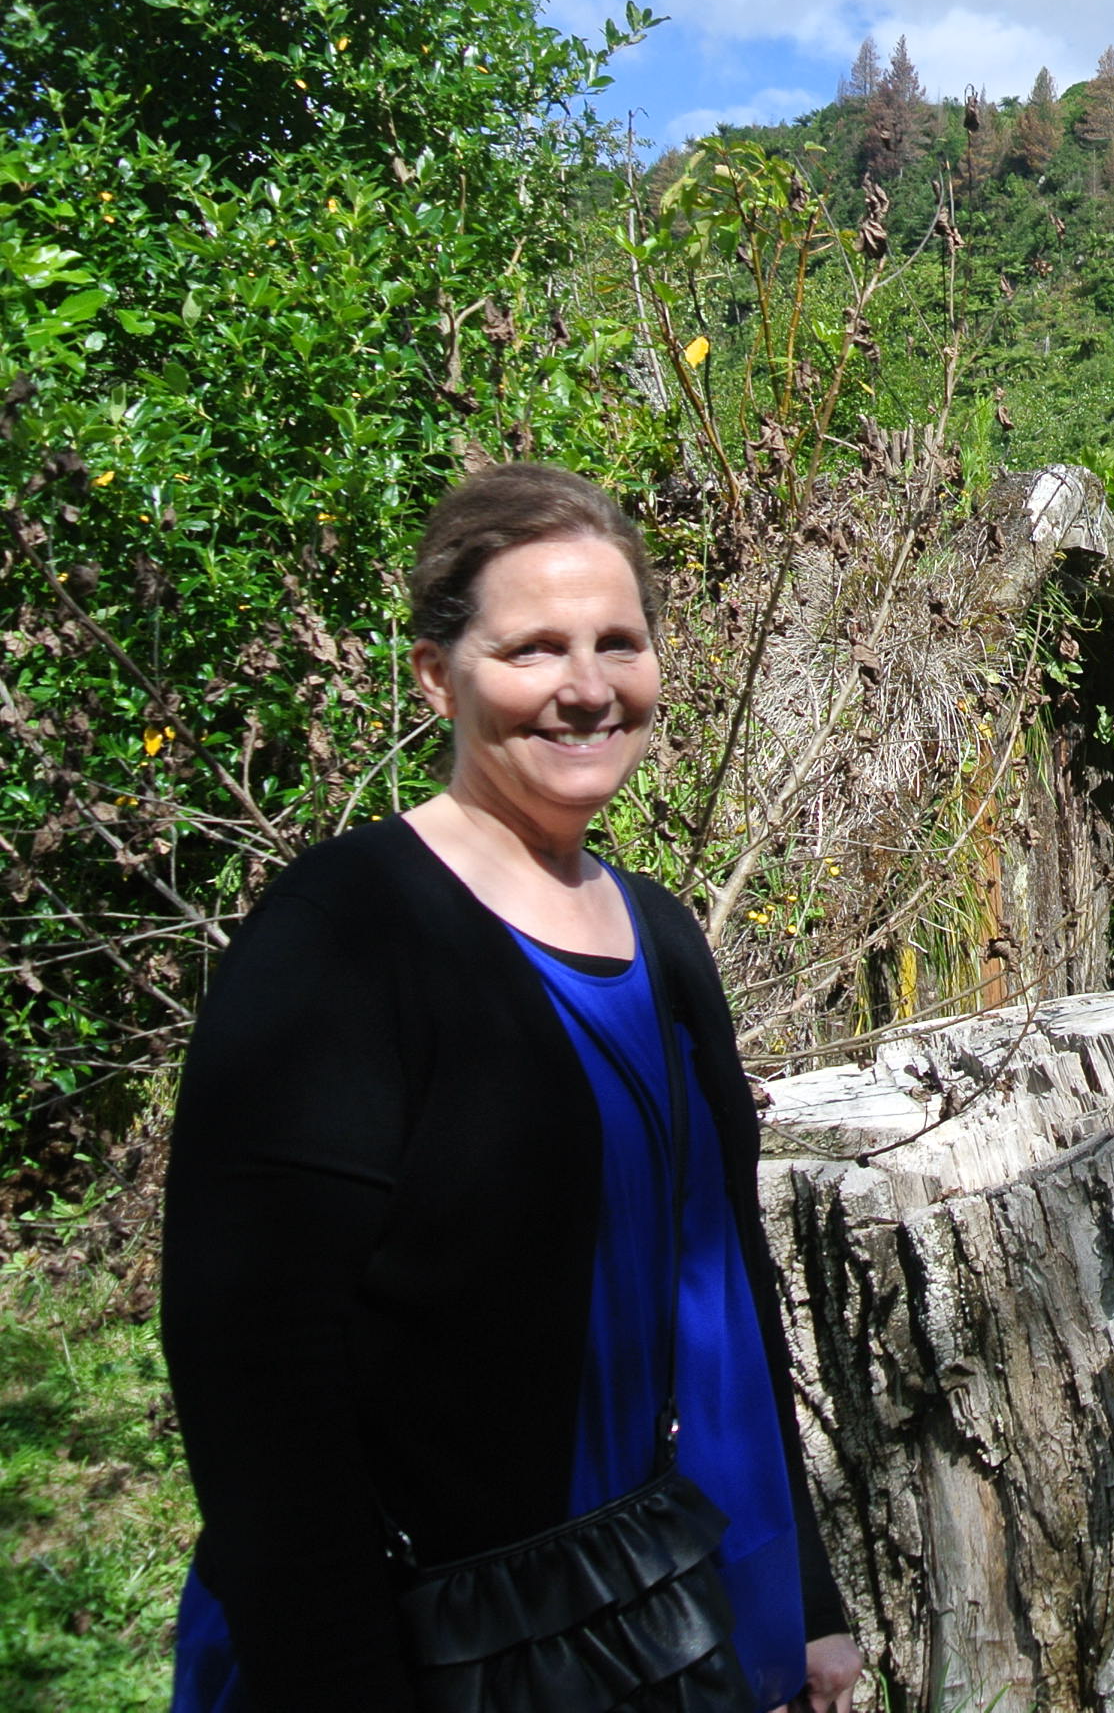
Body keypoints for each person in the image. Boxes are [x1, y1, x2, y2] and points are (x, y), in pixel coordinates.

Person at [161, 464, 864, 1711]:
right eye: (533, 648)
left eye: (617, 643)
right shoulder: (345, 936)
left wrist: (798, 1600)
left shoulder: (661, 937)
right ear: (439, 676)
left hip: (638, 1603)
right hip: (422, 1638)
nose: (586, 687)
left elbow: (721, 1285)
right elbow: (255, 1365)